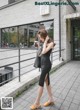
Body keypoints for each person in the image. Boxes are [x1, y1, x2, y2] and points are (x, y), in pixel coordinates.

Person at [30, 29, 56, 110]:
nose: (40, 39)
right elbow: (41, 54)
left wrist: (44, 43)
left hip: (46, 65)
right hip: (43, 65)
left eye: (40, 37)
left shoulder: (51, 43)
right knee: (47, 82)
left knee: (41, 82)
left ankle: (37, 103)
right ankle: (51, 99)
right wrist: (39, 45)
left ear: (44, 36)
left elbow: (44, 51)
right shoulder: (44, 43)